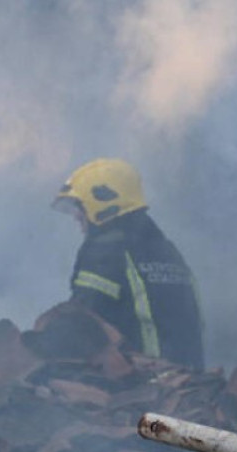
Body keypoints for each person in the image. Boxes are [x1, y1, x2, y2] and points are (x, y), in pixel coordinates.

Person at [51, 158, 204, 370]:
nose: (77, 216)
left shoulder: (105, 251)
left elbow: (81, 321)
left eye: (81, 207)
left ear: (104, 203)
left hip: (143, 383)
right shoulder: (166, 250)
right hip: (191, 379)